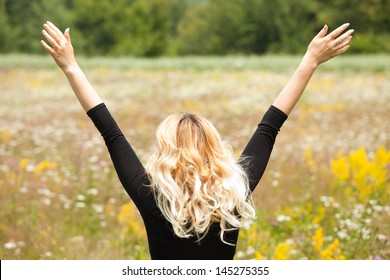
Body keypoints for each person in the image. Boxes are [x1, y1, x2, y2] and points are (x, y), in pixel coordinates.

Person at [40, 21, 353, 259]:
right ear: (214, 150)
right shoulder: (235, 191)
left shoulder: (151, 195)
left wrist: (70, 66)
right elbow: (270, 126)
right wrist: (310, 61)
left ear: (166, 150)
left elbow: (110, 132)